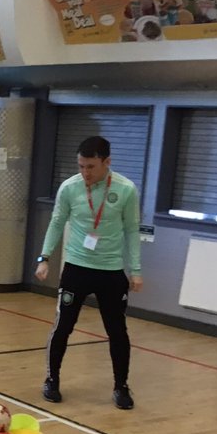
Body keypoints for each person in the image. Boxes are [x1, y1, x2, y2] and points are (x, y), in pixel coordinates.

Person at [36, 135, 143, 410]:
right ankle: (51, 380)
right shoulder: (69, 188)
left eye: (91, 167)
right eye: (81, 166)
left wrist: (136, 270)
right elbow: (57, 222)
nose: (85, 173)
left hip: (111, 271)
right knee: (63, 327)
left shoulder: (126, 189)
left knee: (117, 331)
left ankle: (121, 387)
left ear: (107, 162)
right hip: (76, 268)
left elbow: (132, 230)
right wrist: (44, 258)